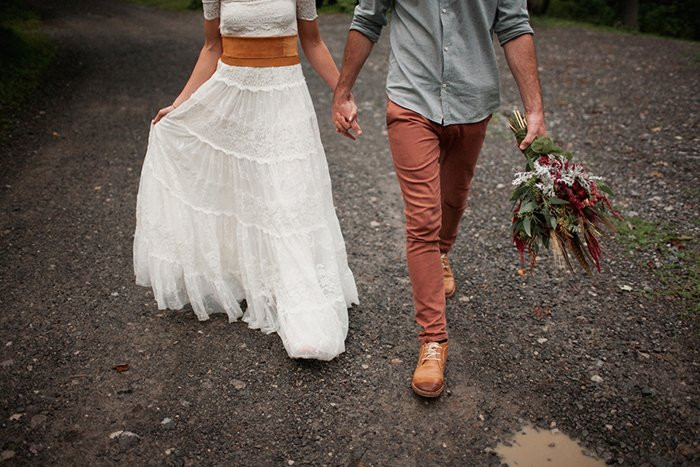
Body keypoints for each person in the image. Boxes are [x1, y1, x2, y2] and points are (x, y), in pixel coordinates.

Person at [332, 1, 545, 396]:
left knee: (454, 199)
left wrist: (534, 108)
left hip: (472, 102)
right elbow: (368, 17)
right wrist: (343, 90)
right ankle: (433, 341)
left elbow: (515, 25)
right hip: (412, 100)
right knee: (423, 221)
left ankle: (443, 252)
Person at [133, 0, 358, 361]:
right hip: (232, 98)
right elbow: (212, 47)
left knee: (287, 202)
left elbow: (312, 43)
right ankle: (252, 279)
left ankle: (305, 312)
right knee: (243, 198)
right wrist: (180, 104)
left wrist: (342, 95)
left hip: (284, 100)